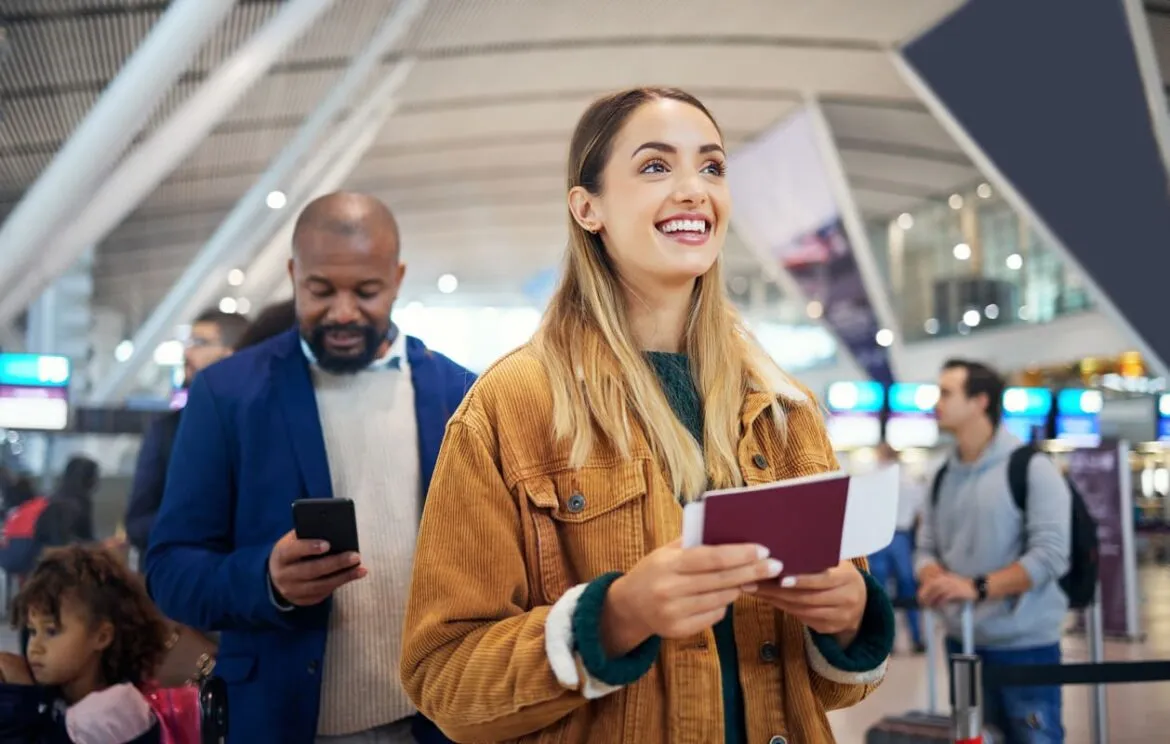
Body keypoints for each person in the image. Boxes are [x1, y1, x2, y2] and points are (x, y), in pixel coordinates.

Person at [399, 87, 894, 744]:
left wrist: (852, 617)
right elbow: (445, 682)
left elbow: (836, 686)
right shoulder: (512, 406)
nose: (694, 190)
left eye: (711, 167)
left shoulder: (782, 408)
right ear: (588, 207)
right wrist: (613, 619)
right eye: (656, 166)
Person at [146, 192, 476, 744]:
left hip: (434, 723)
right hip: (282, 721)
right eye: (320, 290)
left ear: (396, 278)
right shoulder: (230, 395)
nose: (343, 312)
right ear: (294, 274)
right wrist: (267, 580)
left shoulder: (458, 393)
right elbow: (170, 572)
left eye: (366, 292)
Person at [916, 359, 1070, 744]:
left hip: (1025, 646)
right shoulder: (940, 475)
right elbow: (925, 547)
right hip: (962, 642)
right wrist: (931, 574)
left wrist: (978, 587)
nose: (937, 402)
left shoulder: (1030, 467)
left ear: (980, 401)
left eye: (947, 392)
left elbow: (1051, 555)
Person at [0, 544, 171, 744]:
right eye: (32, 631)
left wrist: (19, 697)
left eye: (51, 631)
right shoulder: (55, 699)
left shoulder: (116, 709)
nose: (35, 646)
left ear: (101, 637)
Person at [123, 309, 249, 566]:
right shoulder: (166, 430)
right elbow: (137, 523)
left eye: (199, 343)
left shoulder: (265, 427)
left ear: (233, 352)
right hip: (180, 586)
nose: (187, 353)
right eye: (188, 343)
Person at [866, 442, 926, 653]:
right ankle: (917, 639)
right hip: (902, 536)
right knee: (908, 587)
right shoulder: (909, 478)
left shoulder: (872, 477)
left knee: (880, 589)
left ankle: (886, 641)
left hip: (879, 537)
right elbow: (920, 514)